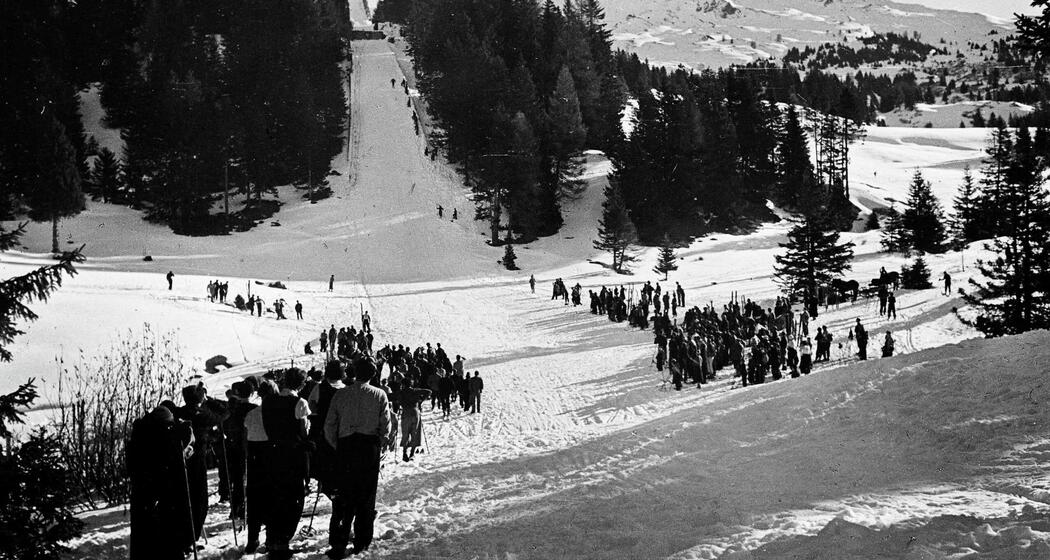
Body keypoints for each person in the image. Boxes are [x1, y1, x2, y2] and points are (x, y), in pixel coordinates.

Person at [325, 359, 391, 559]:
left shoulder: (341, 394)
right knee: (366, 495)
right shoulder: (379, 394)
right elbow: (385, 425)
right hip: (368, 447)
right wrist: (379, 444)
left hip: (346, 447)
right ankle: (362, 540)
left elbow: (330, 425)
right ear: (373, 375)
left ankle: (339, 541)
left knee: (344, 496)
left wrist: (337, 445)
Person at [128, 404, 194, 560]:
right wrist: (184, 444)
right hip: (162, 499)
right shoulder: (160, 437)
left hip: (142, 500)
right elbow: (169, 458)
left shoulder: (139, 436)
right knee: (166, 541)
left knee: (144, 542)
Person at [398, 384, 431, 462]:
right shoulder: (415, 391)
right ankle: (412, 453)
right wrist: (421, 400)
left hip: (405, 412)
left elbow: (391, 397)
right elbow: (429, 391)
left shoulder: (401, 392)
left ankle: (404, 453)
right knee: (415, 433)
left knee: (405, 434)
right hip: (415, 412)